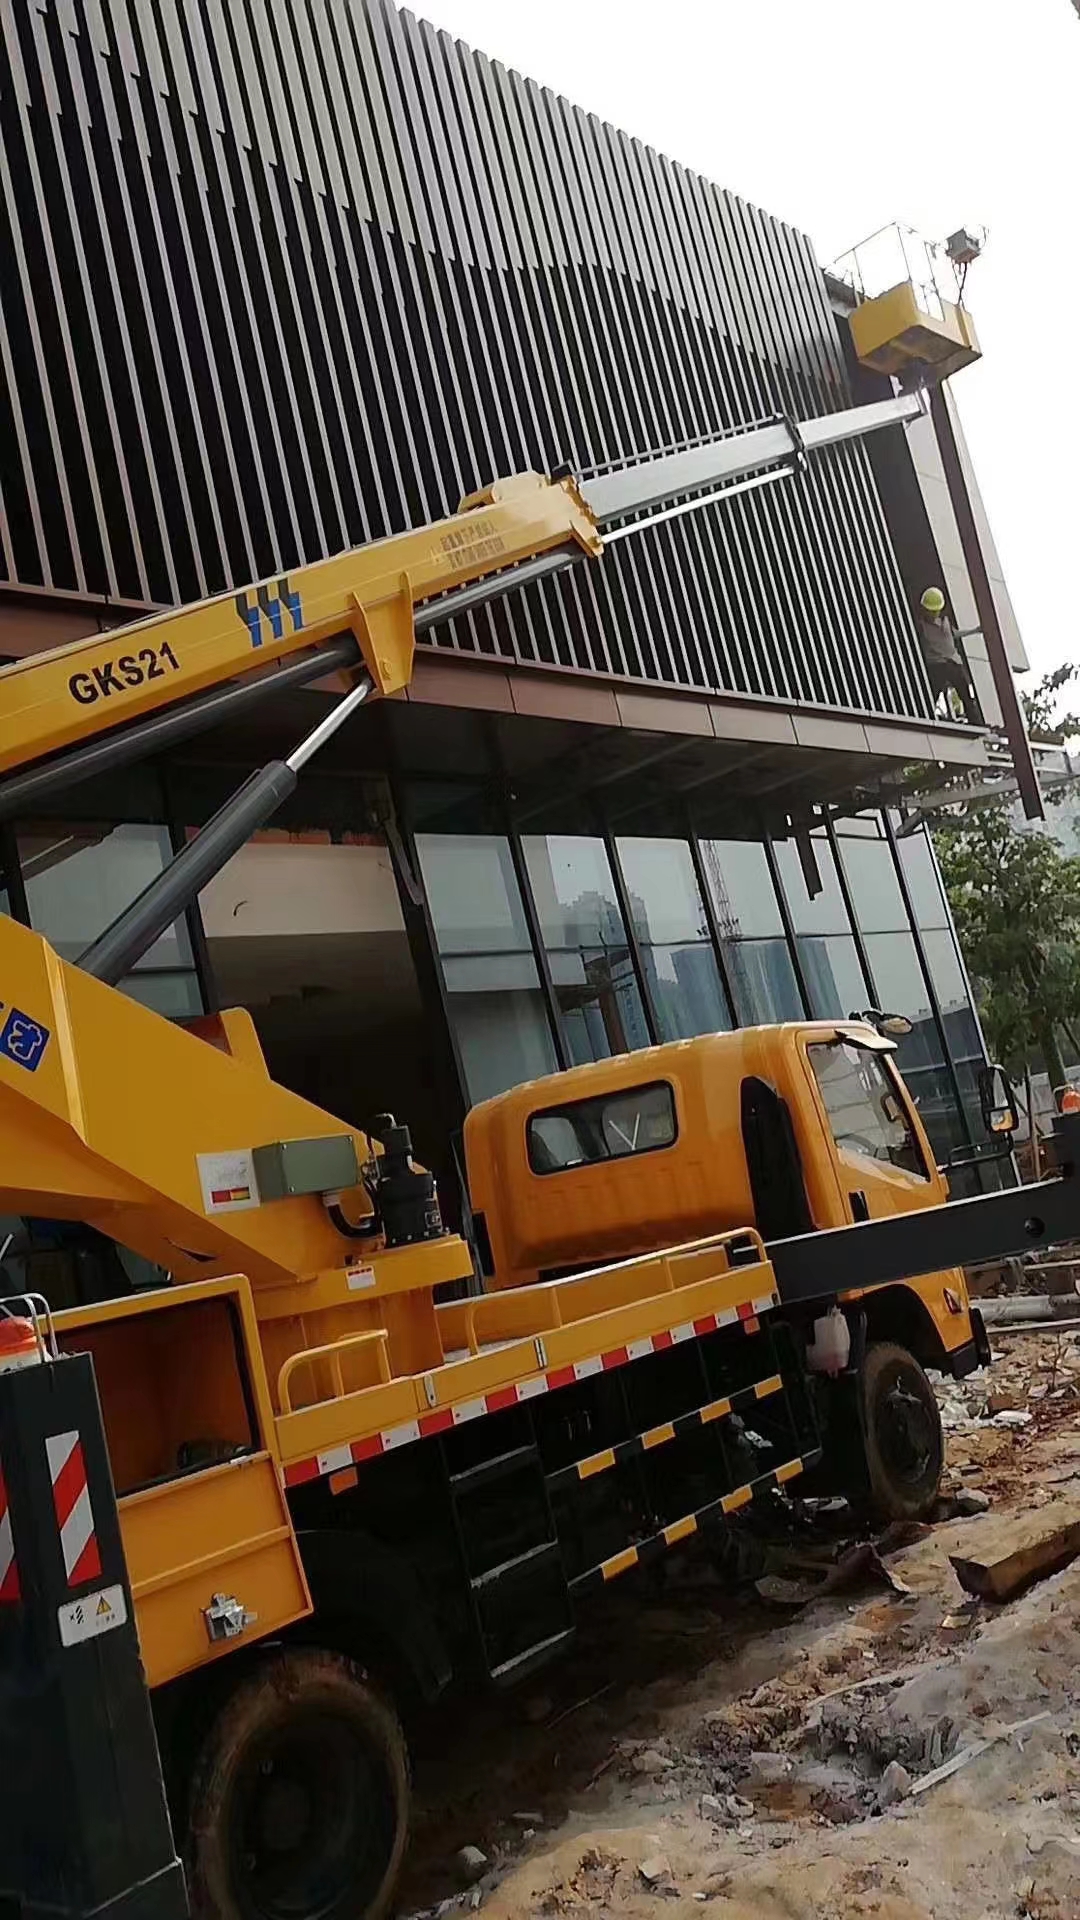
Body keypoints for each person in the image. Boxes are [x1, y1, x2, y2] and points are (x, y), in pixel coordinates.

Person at [917, 586, 980, 725]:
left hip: (953, 661)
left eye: (934, 610)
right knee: (933, 692)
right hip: (937, 663)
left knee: (965, 694)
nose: (932, 613)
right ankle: (925, 719)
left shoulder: (945, 622)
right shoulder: (921, 626)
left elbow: (954, 634)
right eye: (930, 610)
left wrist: (974, 631)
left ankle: (976, 722)